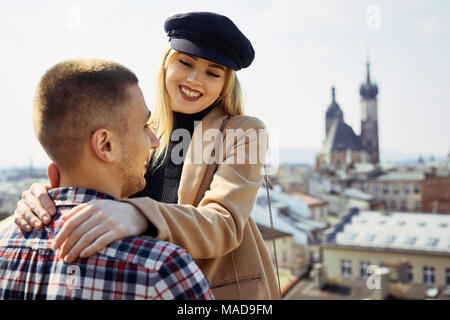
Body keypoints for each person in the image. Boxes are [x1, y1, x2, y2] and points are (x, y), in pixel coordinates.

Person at [10, 12, 279, 299]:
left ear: (225, 84)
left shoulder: (243, 130)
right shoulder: (140, 128)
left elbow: (223, 224)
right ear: (166, 64)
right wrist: (44, 198)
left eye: (213, 73)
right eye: (185, 63)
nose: (194, 79)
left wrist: (140, 214)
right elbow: (88, 174)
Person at [0, 59, 214, 300]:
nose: (155, 141)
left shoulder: (4, 247)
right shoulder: (162, 269)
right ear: (106, 144)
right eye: (144, 126)